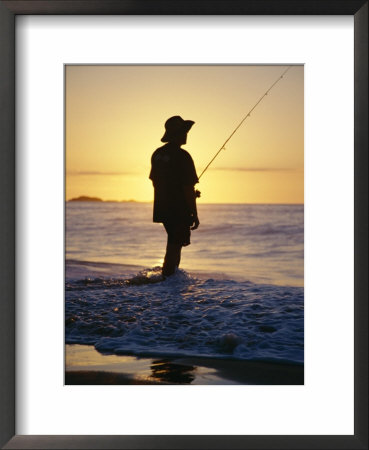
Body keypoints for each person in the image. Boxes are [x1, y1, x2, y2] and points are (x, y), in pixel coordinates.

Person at [149, 116, 200, 277]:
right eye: (184, 132)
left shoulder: (157, 154)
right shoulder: (183, 156)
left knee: (173, 241)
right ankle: (168, 280)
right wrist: (194, 213)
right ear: (177, 134)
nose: (186, 135)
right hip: (178, 209)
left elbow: (155, 182)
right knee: (175, 244)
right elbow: (187, 187)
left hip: (161, 207)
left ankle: (168, 280)